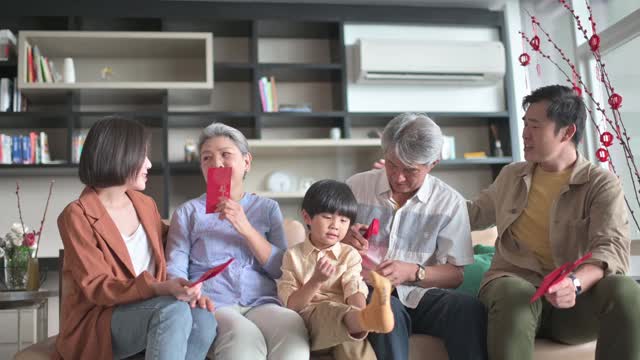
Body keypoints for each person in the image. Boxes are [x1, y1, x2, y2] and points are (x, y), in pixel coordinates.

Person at [468, 84, 640, 360]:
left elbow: (611, 248)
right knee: (514, 291)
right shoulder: (511, 176)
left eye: (535, 126)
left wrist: (573, 283)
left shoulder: (600, 184)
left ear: (568, 132)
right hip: (513, 291)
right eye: (525, 124)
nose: (524, 134)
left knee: (625, 289)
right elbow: (472, 214)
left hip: (572, 304)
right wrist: (416, 187)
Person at [56, 116, 217, 360]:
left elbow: (174, 251)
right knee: (171, 312)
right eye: (142, 155)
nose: (149, 163)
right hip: (102, 320)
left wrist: (188, 288)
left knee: (203, 319)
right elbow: (98, 286)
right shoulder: (77, 215)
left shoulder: (146, 205)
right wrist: (158, 288)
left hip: (154, 310)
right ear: (119, 155)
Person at [343, 113, 487, 360]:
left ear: (434, 163)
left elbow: (456, 274)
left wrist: (415, 272)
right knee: (386, 310)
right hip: (367, 288)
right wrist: (345, 239)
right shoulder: (355, 188)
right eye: (391, 165)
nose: (398, 177)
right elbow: (323, 242)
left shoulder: (449, 203)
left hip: (421, 294)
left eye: (410, 170)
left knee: (467, 309)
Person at [165, 122, 309, 360]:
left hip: (262, 301)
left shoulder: (267, 208)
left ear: (246, 162)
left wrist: (245, 227)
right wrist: (187, 289)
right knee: (243, 337)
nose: (216, 164)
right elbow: (175, 266)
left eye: (225, 155)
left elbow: (280, 270)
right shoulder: (188, 212)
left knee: (291, 326)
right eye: (206, 158)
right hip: (215, 303)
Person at [277, 179, 394, 360]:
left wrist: (359, 311)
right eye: (327, 217)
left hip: (347, 327)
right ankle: (367, 319)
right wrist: (316, 280)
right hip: (311, 325)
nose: (335, 225)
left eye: (343, 220)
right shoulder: (292, 255)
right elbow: (293, 306)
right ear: (307, 217)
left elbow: (353, 288)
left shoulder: (350, 255)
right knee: (329, 309)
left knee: (353, 348)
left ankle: (366, 318)